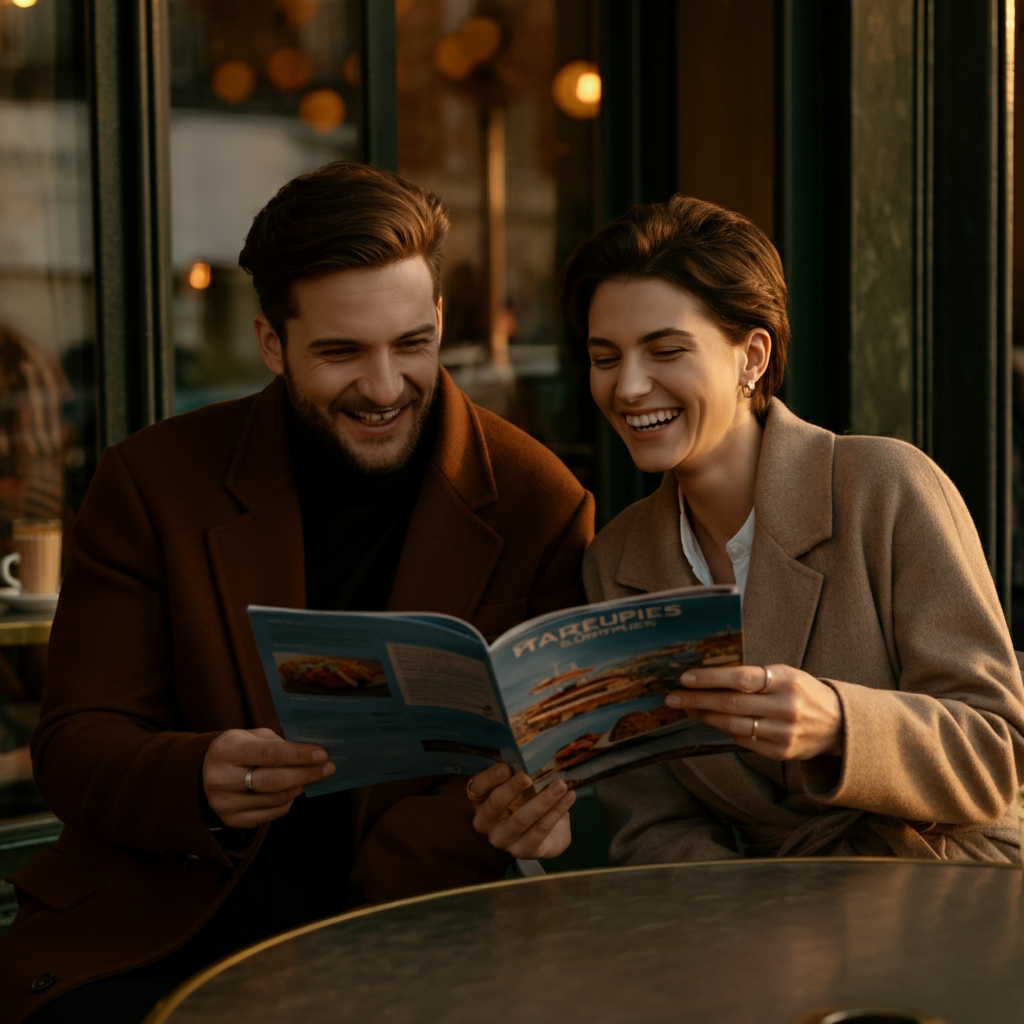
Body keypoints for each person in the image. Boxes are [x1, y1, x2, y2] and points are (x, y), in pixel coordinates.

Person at [0, 161, 593, 1023]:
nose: (384, 388)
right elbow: (74, 745)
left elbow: (537, 760)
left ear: (438, 320)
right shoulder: (152, 482)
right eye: (342, 352)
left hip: (413, 927)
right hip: (161, 925)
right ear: (272, 344)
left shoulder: (540, 500)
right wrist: (196, 777)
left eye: (412, 344)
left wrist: (504, 824)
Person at [470, 194, 1024, 866]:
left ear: (752, 357)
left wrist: (839, 723)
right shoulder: (614, 562)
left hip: (951, 883)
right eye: (605, 358)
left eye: (665, 350)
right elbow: (653, 826)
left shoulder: (885, 488)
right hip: (765, 912)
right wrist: (747, 920)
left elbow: (997, 751)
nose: (629, 387)